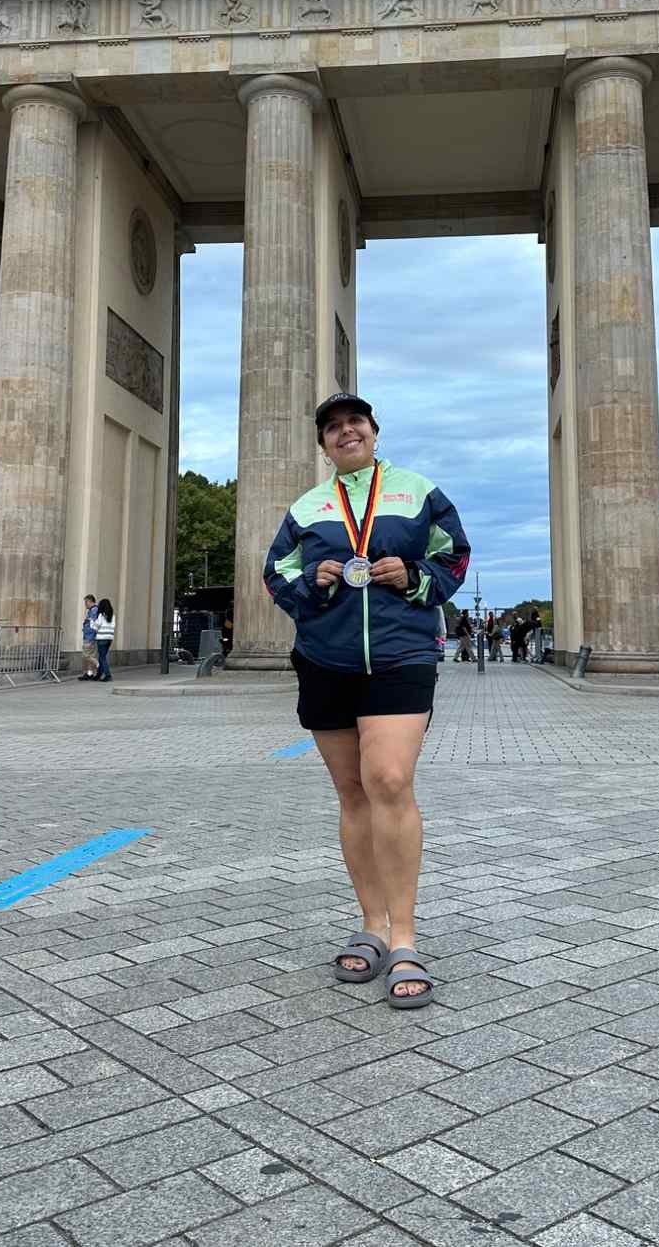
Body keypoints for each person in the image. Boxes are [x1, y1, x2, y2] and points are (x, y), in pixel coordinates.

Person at [265, 392, 470, 1009]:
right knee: (353, 792)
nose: (345, 431)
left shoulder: (417, 491)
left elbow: (454, 554)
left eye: (355, 421)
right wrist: (314, 584)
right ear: (323, 444)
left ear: (374, 431)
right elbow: (277, 574)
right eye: (332, 426)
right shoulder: (308, 507)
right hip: (326, 660)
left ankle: (405, 936)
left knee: (387, 778)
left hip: (400, 654)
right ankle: (372, 925)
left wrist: (415, 579)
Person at [93, 599, 116, 682]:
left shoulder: (101, 616)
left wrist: (92, 623)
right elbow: (113, 626)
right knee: (102, 657)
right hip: (109, 639)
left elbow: (96, 627)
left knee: (102, 658)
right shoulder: (112, 616)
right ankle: (99, 674)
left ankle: (108, 675)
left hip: (101, 638)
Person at [80, 595, 99, 681]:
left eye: (86, 602)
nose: (85, 605)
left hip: (89, 636)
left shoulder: (94, 610)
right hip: (90, 636)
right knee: (91, 655)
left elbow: (93, 625)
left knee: (86, 655)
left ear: (90, 601)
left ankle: (99, 666)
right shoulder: (93, 610)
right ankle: (90, 673)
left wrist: (90, 636)